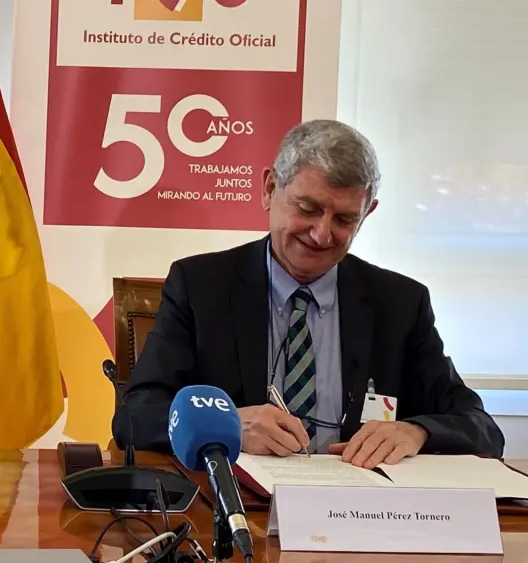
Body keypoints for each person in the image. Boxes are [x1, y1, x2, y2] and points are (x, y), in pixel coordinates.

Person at [115, 119, 503, 468]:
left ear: (367, 214)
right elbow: (136, 416)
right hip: (237, 507)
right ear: (269, 189)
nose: (321, 234)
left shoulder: (400, 304)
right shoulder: (201, 286)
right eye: (308, 208)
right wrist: (228, 424)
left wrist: (417, 432)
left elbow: (480, 427)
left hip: (363, 511)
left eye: (345, 219)